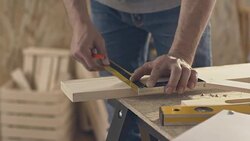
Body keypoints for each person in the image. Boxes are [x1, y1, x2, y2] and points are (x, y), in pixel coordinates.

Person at [63, 0, 216, 140]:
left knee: (189, 124)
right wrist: (79, 22)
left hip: (180, 8)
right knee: (121, 123)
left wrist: (182, 52)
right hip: (108, 7)